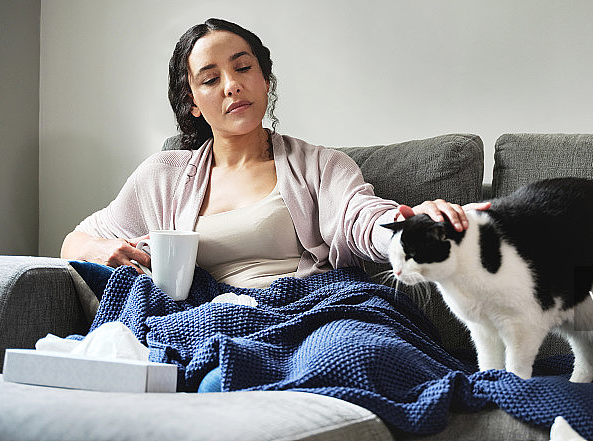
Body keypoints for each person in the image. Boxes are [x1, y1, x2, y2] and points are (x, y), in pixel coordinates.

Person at [61, 18, 488, 289]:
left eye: (243, 68)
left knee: (357, 352)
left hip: (308, 310)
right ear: (192, 101)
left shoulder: (321, 166)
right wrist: (101, 251)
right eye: (210, 79)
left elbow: (363, 218)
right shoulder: (163, 176)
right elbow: (74, 241)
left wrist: (409, 225)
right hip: (210, 322)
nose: (231, 85)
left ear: (265, 80)